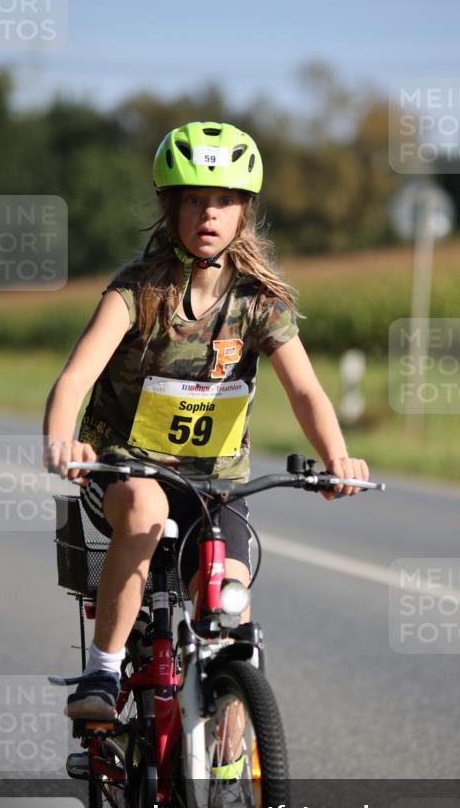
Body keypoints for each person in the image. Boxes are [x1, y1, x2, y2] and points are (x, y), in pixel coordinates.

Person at [43, 120, 369, 721]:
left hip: (214, 485)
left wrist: (336, 458)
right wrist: (61, 441)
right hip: (124, 469)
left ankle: (230, 739)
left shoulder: (258, 303)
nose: (208, 213)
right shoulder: (134, 293)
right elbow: (75, 378)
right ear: (171, 208)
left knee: (230, 610)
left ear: (245, 212)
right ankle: (104, 670)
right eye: (193, 199)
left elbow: (307, 392)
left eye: (224, 200)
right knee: (146, 510)